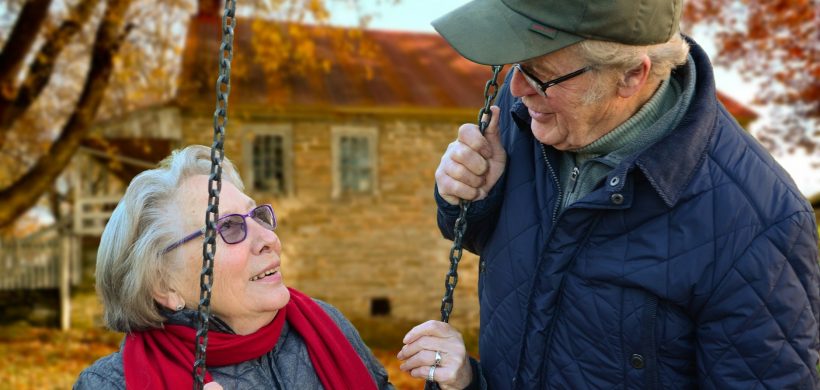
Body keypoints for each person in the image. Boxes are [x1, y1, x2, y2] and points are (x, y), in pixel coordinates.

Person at [401, 0, 820, 388]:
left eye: (540, 74)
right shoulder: (528, 119)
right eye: (515, 65)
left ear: (631, 76)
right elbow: (511, 251)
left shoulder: (759, 225)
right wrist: (469, 199)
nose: (517, 89)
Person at [74, 145, 396, 389]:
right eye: (228, 227)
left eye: (256, 216)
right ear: (164, 285)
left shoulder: (326, 326)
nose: (268, 238)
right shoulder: (109, 384)